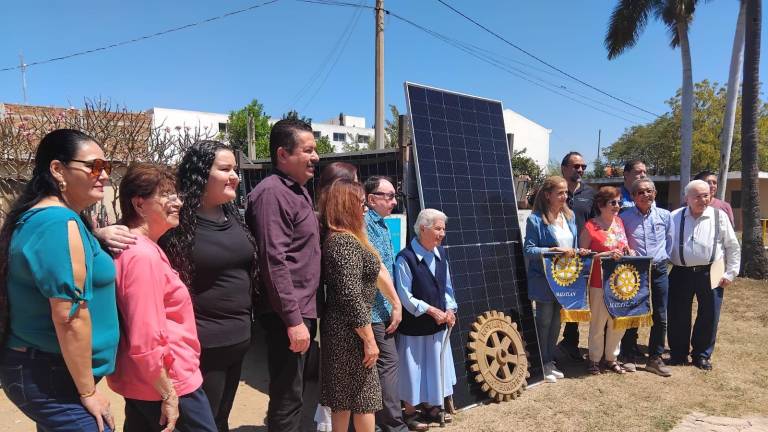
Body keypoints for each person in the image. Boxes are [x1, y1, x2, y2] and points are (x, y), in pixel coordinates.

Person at [0, 129, 119, 431]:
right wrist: (88, 393)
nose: (103, 175)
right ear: (57, 169)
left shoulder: (56, 218)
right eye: (94, 166)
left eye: (106, 167)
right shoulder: (57, 222)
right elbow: (70, 317)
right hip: (51, 373)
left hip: (52, 368)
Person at [109, 164, 217, 431]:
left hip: (145, 381)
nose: (177, 202)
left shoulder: (139, 248)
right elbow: (145, 338)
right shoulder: (141, 256)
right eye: (167, 195)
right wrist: (169, 393)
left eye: (176, 194)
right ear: (139, 204)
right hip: (167, 381)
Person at [161, 141, 258, 432]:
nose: (235, 176)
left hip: (238, 340)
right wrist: (104, 233)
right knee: (201, 425)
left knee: (220, 419)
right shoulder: (175, 221)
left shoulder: (233, 215)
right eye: (225, 169)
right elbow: (136, 239)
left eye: (236, 170)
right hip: (203, 344)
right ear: (201, 174)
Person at [246, 118, 321, 431]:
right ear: (282, 155)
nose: (316, 156)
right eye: (308, 150)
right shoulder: (272, 194)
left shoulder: (298, 192)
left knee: (295, 392)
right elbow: (272, 260)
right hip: (287, 314)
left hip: (303, 309)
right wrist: (293, 320)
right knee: (287, 396)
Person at [319, 179, 383, 432]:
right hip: (350, 333)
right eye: (361, 203)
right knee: (363, 399)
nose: (365, 208)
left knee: (345, 399)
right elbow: (350, 295)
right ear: (346, 205)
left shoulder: (343, 239)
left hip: (345, 330)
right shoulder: (344, 242)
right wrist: (369, 339)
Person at [668, 180, 740, 371]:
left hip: (712, 270)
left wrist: (730, 273)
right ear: (687, 198)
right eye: (697, 196)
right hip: (680, 272)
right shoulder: (674, 216)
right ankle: (678, 353)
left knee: (709, 314)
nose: (702, 199)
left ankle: (701, 355)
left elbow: (732, 246)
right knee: (677, 313)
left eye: (706, 195)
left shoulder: (719, 216)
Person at [395, 209, 457, 430]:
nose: (442, 233)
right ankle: (411, 411)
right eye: (438, 228)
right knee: (414, 368)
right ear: (423, 228)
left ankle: (431, 407)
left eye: (443, 229)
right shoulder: (405, 258)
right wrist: (432, 310)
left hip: (438, 326)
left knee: (434, 365)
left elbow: (447, 288)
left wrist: (450, 309)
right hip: (415, 327)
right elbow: (405, 295)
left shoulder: (441, 255)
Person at [524, 176, 586, 383]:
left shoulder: (570, 218)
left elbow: (571, 247)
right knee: (544, 321)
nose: (564, 196)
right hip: (543, 279)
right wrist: (551, 250)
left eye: (566, 192)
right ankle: (541, 362)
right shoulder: (535, 220)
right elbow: (529, 249)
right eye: (560, 192)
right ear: (547, 195)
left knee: (557, 321)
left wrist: (579, 251)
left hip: (564, 279)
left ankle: (549, 360)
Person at [363, 176, 408, 432]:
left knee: (382, 366)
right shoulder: (364, 224)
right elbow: (377, 268)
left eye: (395, 196)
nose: (393, 201)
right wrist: (395, 303)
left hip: (382, 308)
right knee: (388, 366)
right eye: (388, 196)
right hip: (374, 309)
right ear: (371, 199)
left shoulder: (380, 224)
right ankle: (393, 425)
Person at [619, 178, 673, 377]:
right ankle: (628, 355)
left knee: (660, 314)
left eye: (649, 191)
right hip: (634, 271)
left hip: (658, 269)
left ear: (655, 193)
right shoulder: (624, 217)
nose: (645, 195)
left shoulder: (665, 216)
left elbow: (670, 241)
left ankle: (655, 358)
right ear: (633, 196)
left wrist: (662, 259)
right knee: (633, 312)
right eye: (640, 192)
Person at [581, 186, 632, 375]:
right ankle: (594, 359)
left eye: (619, 202)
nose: (617, 206)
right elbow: (583, 256)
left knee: (617, 322)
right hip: (598, 282)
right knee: (598, 322)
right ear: (602, 205)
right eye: (613, 202)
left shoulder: (619, 223)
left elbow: (624, 245)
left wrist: (629, 251)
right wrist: (604, 255)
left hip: (619, 282)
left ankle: (611, 357)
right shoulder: (590, 226)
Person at [558, 152, 596, 362]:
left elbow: (593, 224)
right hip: (557, 256)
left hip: (582, 256)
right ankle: (546, 348)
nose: (580, 170)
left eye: (583, 166)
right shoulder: (552, 190)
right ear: (564, 168)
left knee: (576, 300)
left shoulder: (590, 194)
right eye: (576, 166)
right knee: (555, 303)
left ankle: (570, 342)